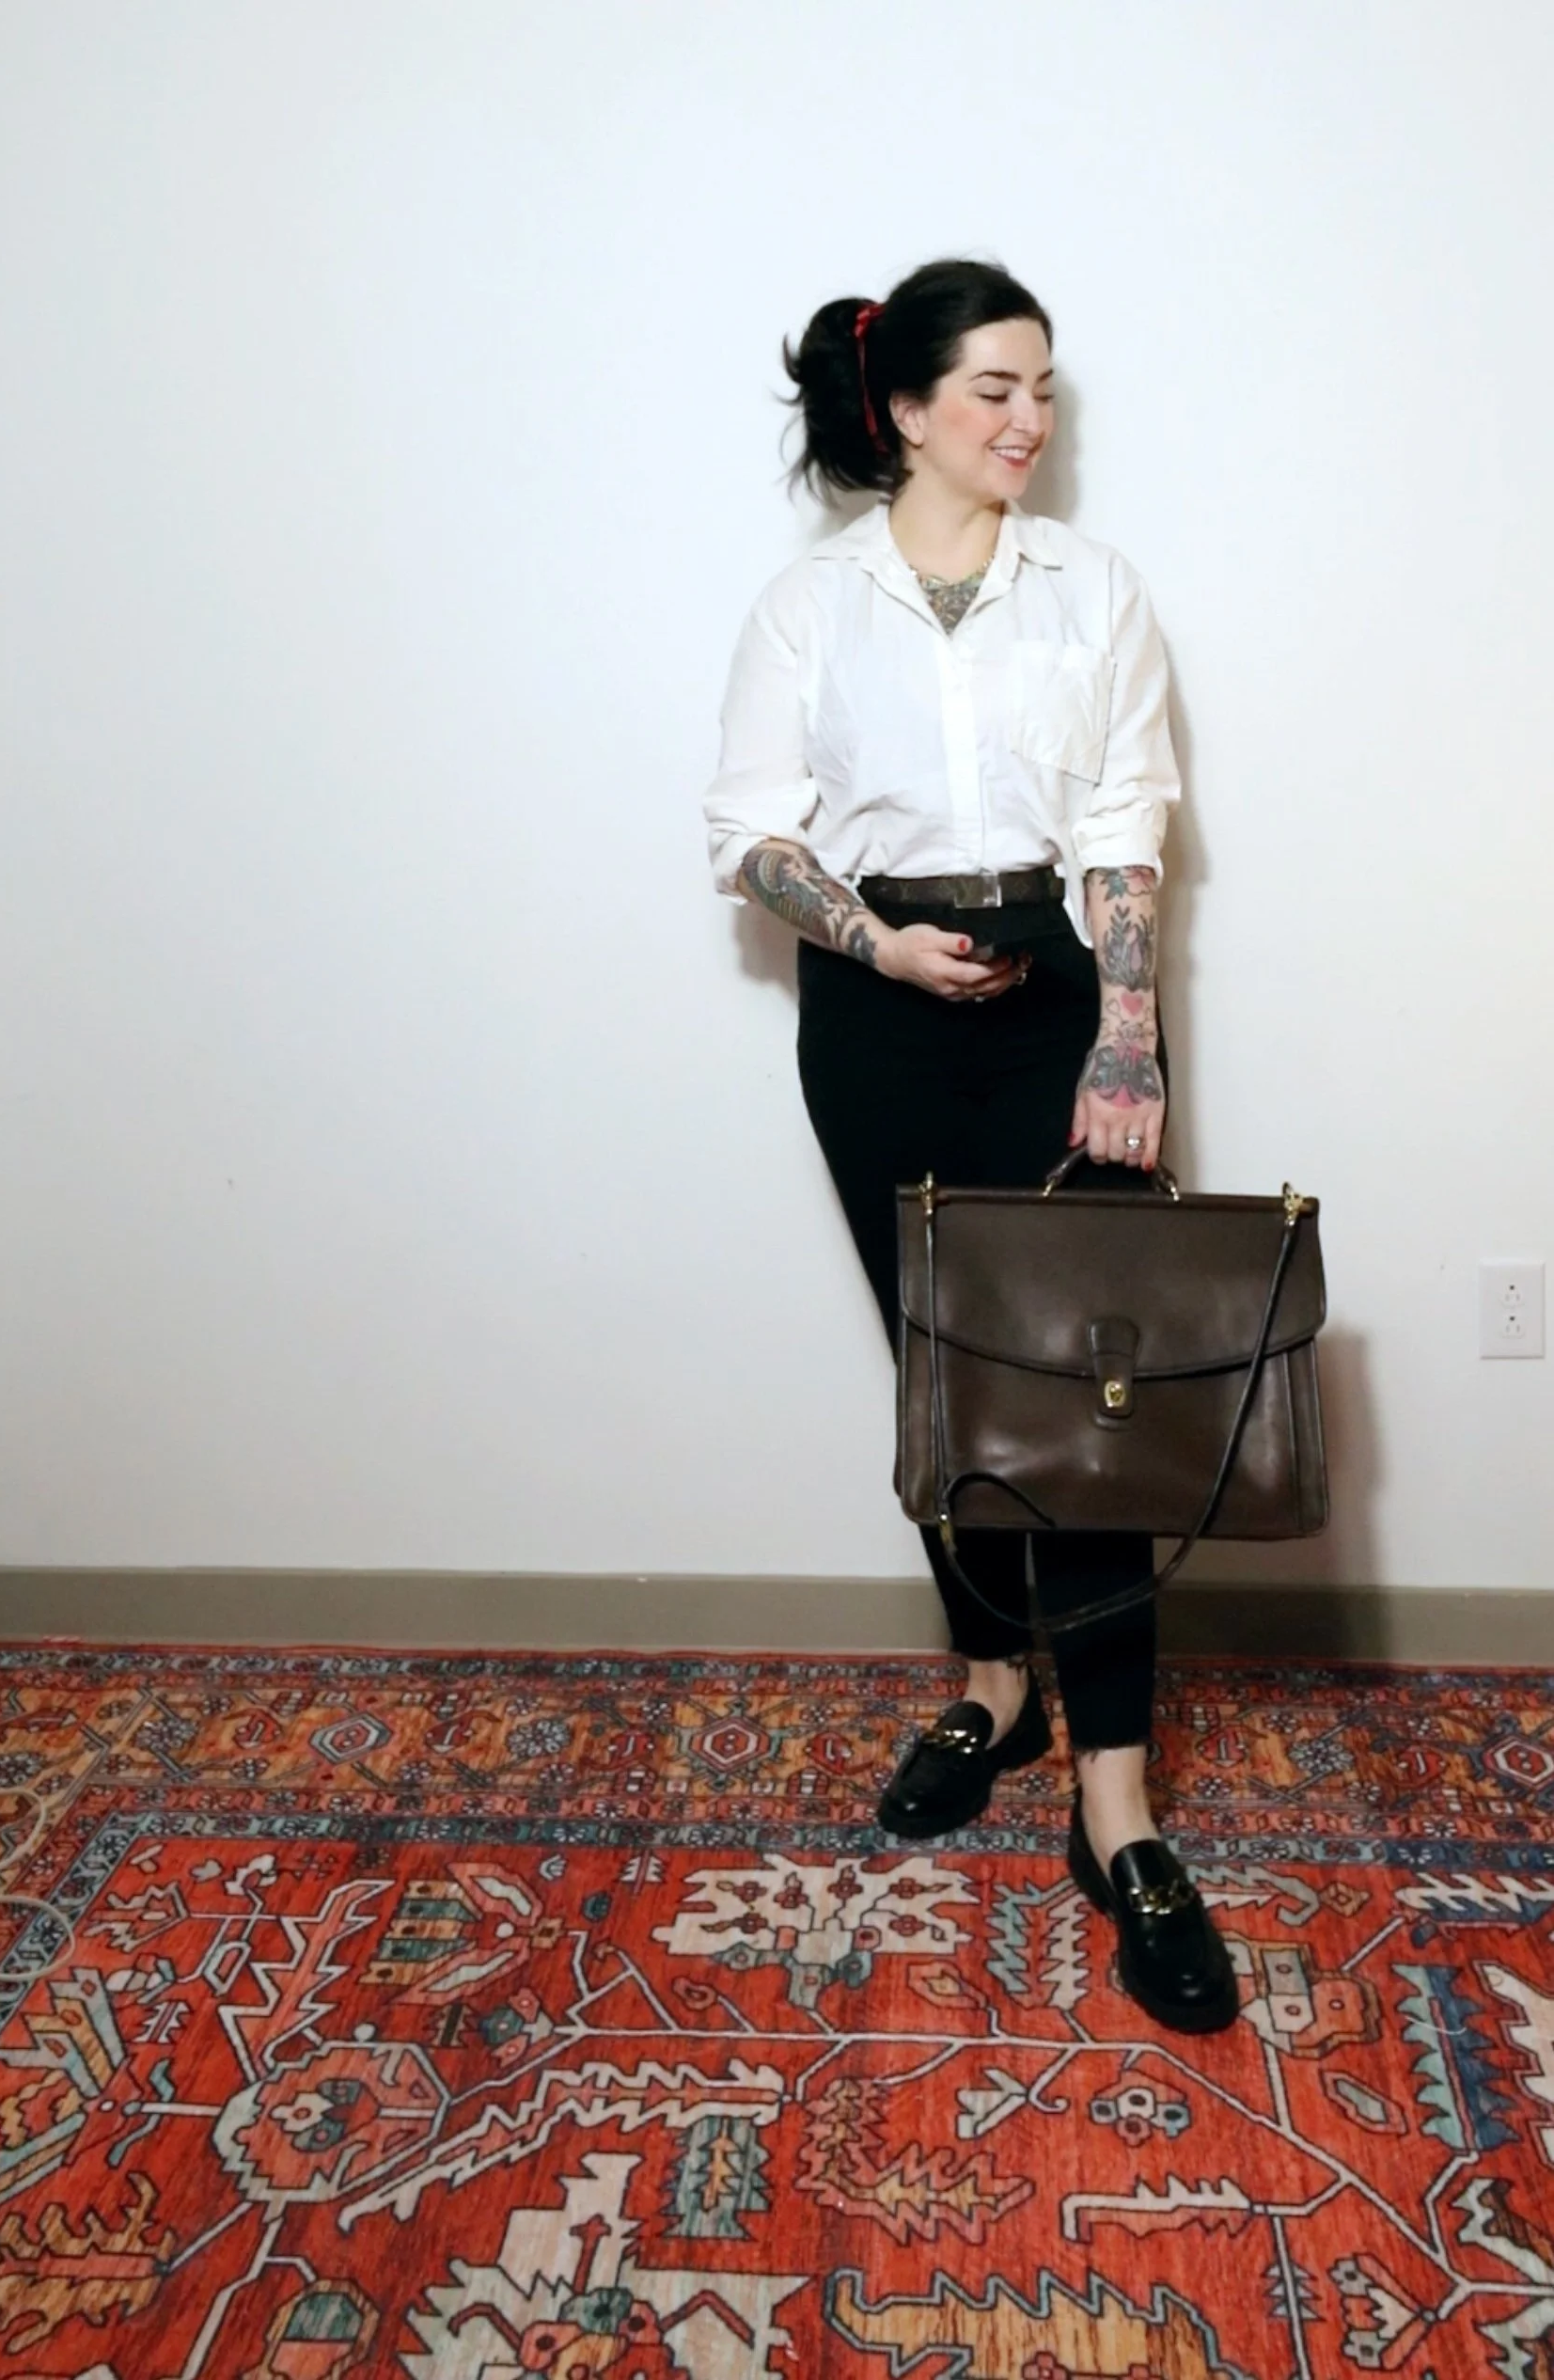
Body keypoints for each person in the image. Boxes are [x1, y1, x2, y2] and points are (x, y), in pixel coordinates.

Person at [702, 258, 1236, 2035]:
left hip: (1057, 996)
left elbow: (1125, 823)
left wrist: (1128, 1034)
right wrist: (869, 939)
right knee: (943, 1373)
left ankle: (1118, 1807)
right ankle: (994, 1687)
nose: (1030, 420)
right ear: (907, 408)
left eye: (1045, 390)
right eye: (995, 389)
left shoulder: (1095, 590)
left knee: (1083, 1398)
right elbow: (754, 833)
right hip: (872, 1015)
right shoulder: (806, 607)